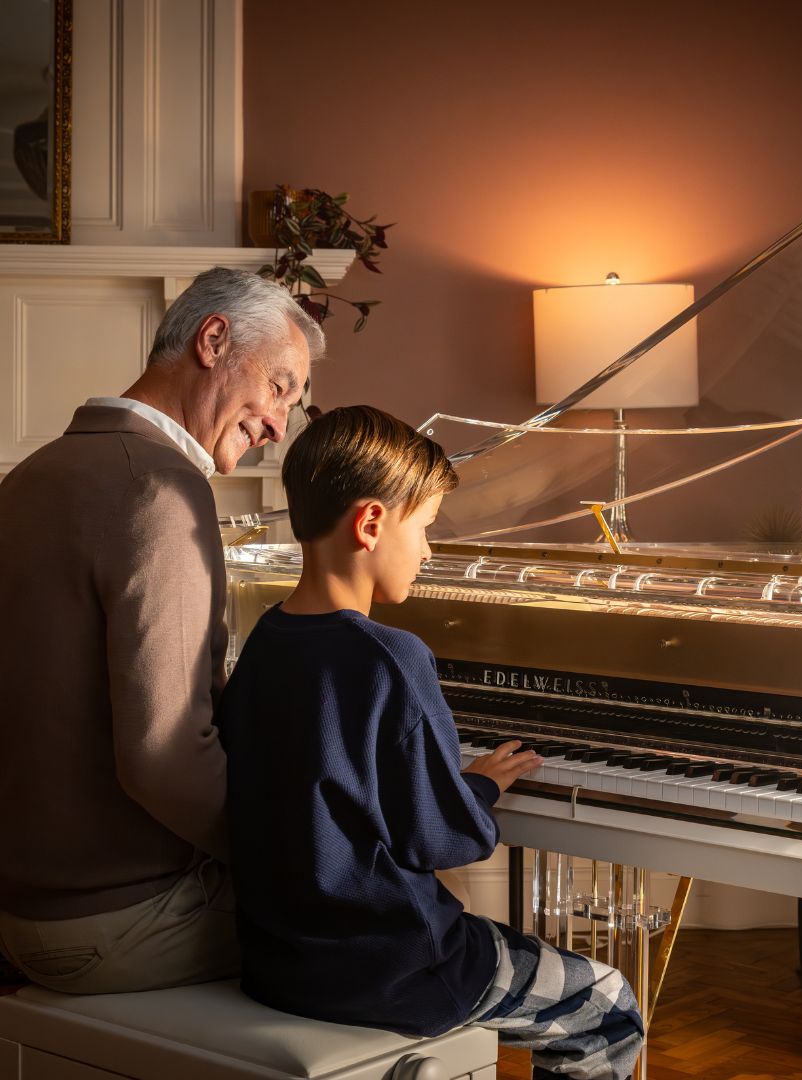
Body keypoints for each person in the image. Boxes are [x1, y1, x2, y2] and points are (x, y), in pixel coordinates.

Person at [218, 405, 643, 1080]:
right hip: (396, 969)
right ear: (371, 523)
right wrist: (476, 786)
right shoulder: (392, 656)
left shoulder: (264, 644)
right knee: (609, 1003)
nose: (427, 552)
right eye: (425, 528)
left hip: (283, 962)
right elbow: (440, 839)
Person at [0, 267, 324, 993]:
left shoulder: (32, 475)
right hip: (118, 922)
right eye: (278, 387)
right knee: (417, 919)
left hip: (20, 907)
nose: (277, 424)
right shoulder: (161, 488)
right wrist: (303, 856)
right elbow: (165, 755)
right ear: (213, 340)